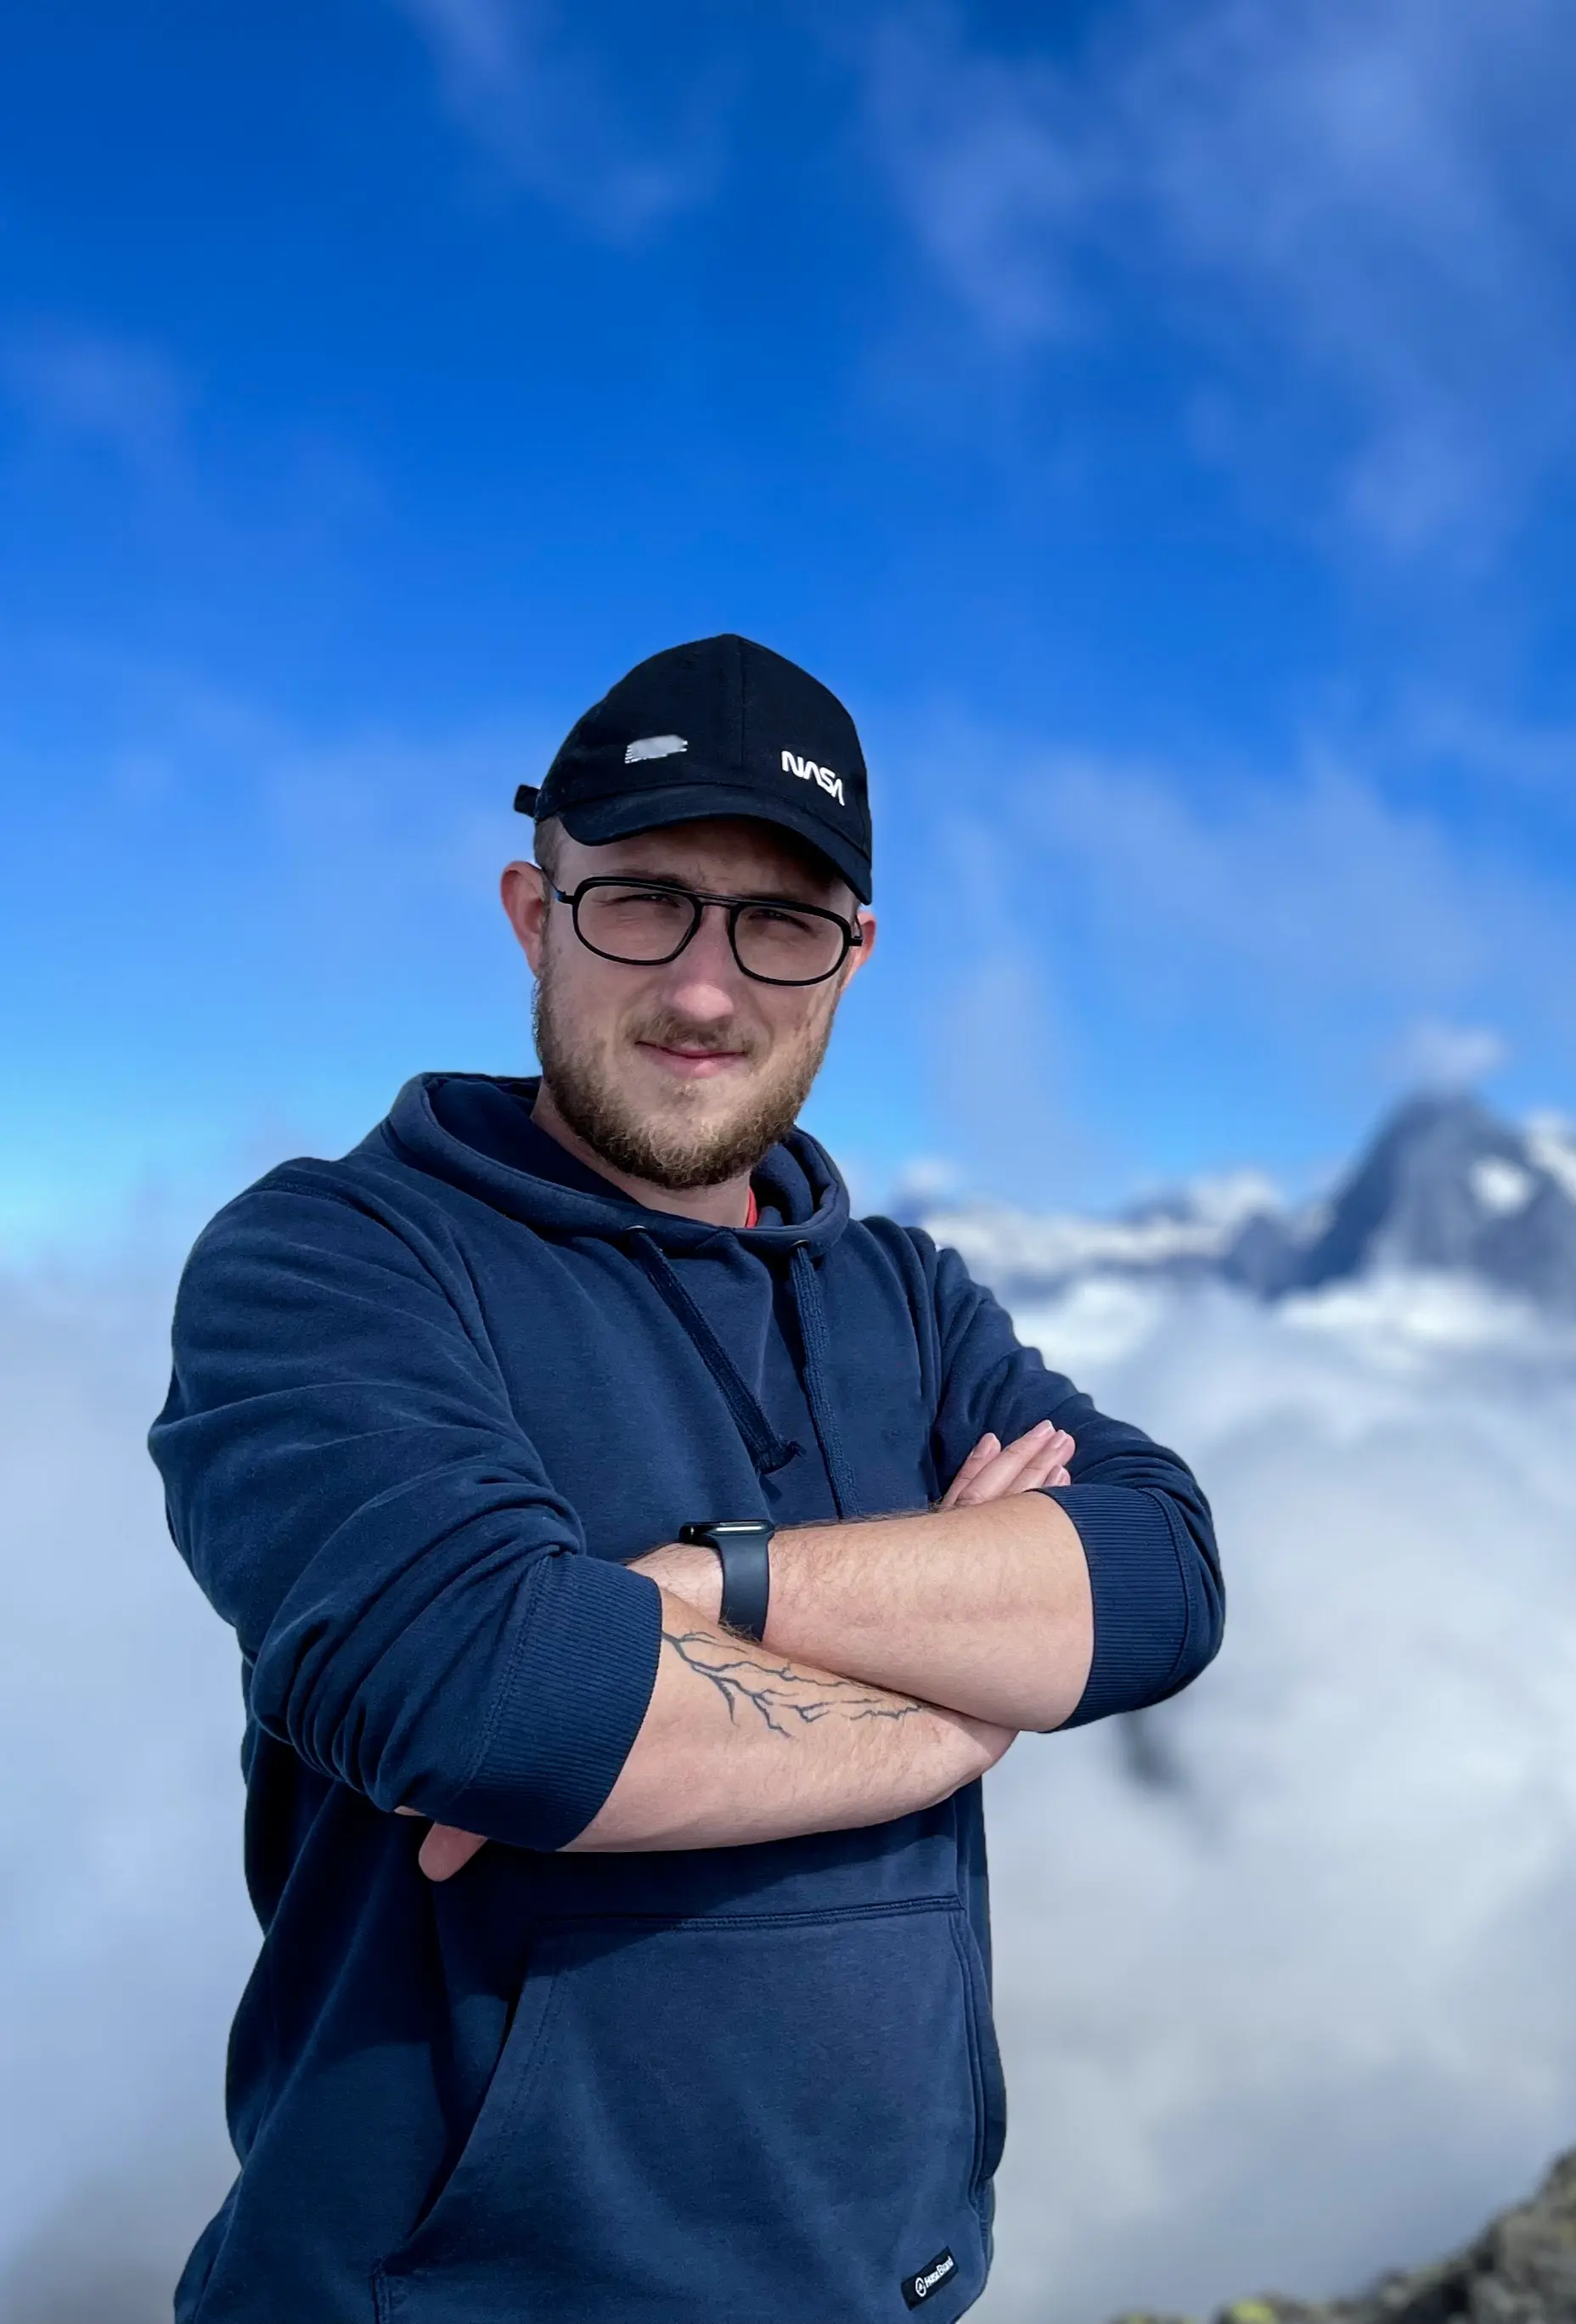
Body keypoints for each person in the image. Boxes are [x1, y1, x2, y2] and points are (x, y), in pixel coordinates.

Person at [149, 633, 1223, 2324]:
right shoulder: (338, 1258)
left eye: (779, 922)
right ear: (532, 909)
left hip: (890, 2286)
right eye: (641, 899)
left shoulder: (909, 1299)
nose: (707, 989)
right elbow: (491, 1699)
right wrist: (960, 1714)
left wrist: (715, 1589)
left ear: (852, 960)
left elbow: (1159, 1578)